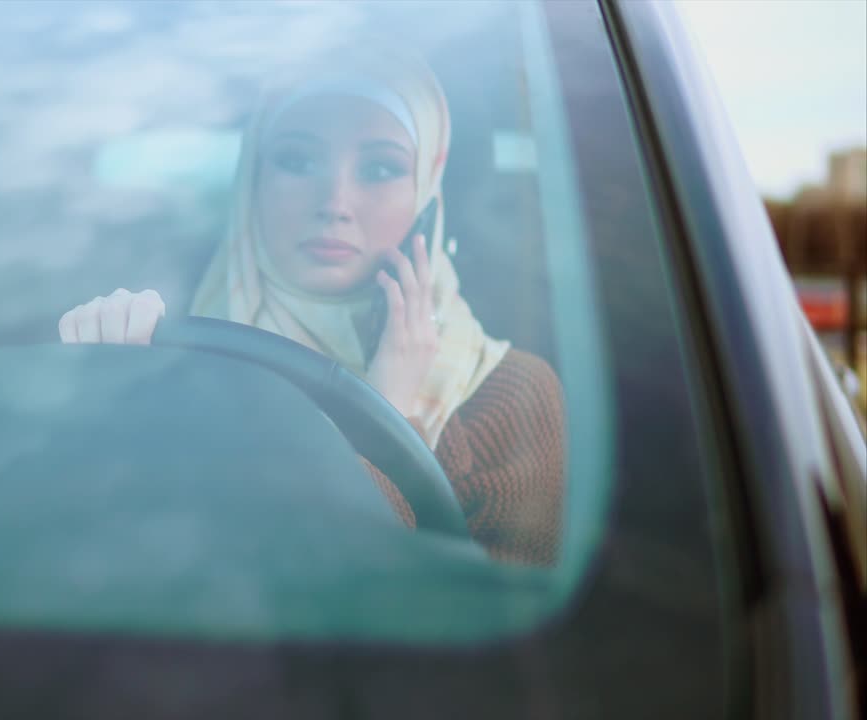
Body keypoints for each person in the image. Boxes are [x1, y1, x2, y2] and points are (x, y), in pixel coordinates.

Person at [57, 46, 565, 566]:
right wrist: (106, 394)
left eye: (380, 168)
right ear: (252, 183)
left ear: (426, 197)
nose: (335, 202)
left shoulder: (514, 398)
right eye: (297, 160)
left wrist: (390, 410)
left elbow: (456, 626)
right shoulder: (166, 358)